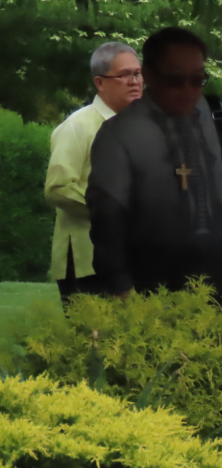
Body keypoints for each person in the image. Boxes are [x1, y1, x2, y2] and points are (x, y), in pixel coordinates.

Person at [87, 27, 222, 300]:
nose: (188, 90)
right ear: (150, 75)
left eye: (198, 79)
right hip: (149, 286)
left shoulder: (217, 118)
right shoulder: (118, 134)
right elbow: (107, 220)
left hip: (220, 278)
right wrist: (119, 285)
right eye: (176, 80)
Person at [44, 42, 142, 304]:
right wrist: (114, 213)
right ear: (100, 82)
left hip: (135, 258)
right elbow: (58, 188)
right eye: (124, 75)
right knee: (94, 342)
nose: (135, 82)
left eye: (138, 73)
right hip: (87, 262)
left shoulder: (142, 127)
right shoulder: (79, 126)